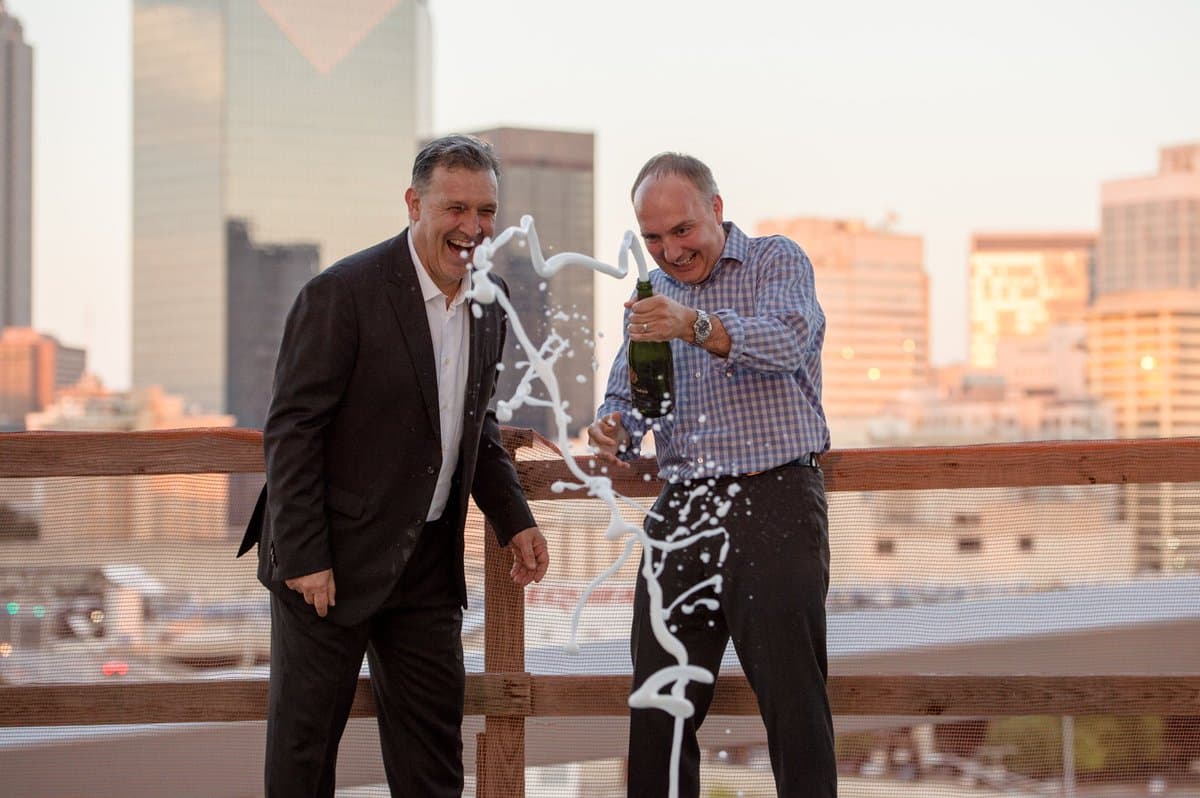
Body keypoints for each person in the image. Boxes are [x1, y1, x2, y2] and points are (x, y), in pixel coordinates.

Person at [237, 134, 549, 798]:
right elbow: (293, 430)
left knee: (434, 768)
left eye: (486, 211)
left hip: (427, 568)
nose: (473, 227)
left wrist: (513, 518)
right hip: (328, 564)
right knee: (303, 759)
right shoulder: (342, 293)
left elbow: (476, 424)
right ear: (415, 204)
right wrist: (304, 555)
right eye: (456, 208)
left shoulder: (492, 301)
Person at [587, 153, 836, 797]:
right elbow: (632, 398)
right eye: (653, 238)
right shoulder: (648, 300)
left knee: (792, 703)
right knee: (658, 706)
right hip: (683, 505)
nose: (669, 250)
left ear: (716, 211)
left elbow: (786, 342)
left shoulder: (776, 260)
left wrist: (693, 326)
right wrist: (613, 425)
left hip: (775, 497)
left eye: (682, 230)